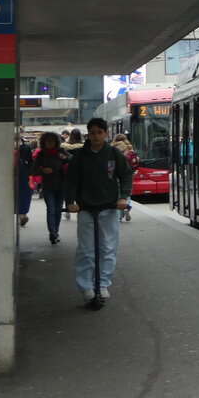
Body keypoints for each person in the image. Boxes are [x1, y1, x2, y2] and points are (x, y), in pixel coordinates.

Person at [65, 117, 133, 310]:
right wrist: (70, 202)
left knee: (108, 248)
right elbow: (70, 181)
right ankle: (86, 286)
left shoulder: (114, 154)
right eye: (92, 132)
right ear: (88, 134)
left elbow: (126, 176)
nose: (96, 136)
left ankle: (102, 283)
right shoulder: (79, 156)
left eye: (99, 132)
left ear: (106, 134)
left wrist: (123, 197)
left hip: (109, 207)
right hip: (86, 208)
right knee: (86, 249)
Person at [31, 132, 70, 244]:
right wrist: (43, 170)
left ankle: (56, 232)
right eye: (47, 141)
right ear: (43, 142)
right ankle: (52, 233)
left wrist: (65, 157)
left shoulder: (61, 151)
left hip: (61, 185)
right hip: (48, 186)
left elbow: (73, 160)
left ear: (56, 142)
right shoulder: (41, 154)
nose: (49, 143)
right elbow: (34, 170)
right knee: (51, 209)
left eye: (52, 141)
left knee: (58, 209)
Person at [111, 133, 139, 222]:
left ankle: (119, 216)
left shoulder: (112, 147)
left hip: (115, 173)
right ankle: (126, 206)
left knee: (118, 193)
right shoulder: (129, 147)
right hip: (128, 172)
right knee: (127, 191)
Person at [15, 133, 34, 226]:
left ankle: (22, 215)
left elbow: (30, 161)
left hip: (23, 173)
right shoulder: (6, 146)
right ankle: (21, 215)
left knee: (24, 194)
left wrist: (30, 173)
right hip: (11, 173)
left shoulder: (26, 147)